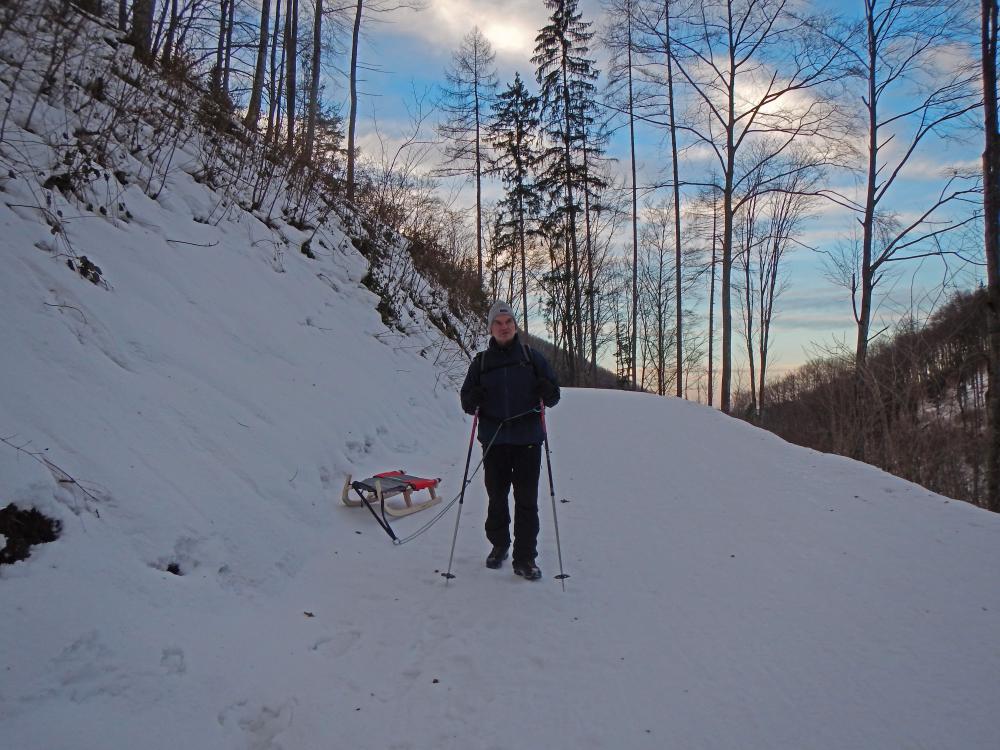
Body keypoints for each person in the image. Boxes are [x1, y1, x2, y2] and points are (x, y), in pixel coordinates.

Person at [460, 302, 560, 580]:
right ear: (491, 328)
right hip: (494, 440)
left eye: (508, 322)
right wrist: (473, 398)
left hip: (528, 440)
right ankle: (499, 544)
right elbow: (466, 401)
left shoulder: (532, 358)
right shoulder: (480, 362)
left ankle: (525, 558)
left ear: (515, 326)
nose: (504, 327)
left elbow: (553, 397)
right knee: (496, 497)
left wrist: (547, 389)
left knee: (526, 500)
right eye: (498, 323)